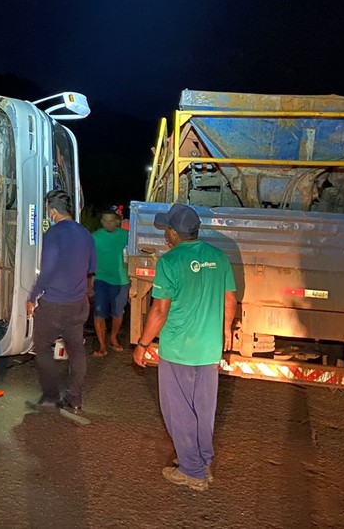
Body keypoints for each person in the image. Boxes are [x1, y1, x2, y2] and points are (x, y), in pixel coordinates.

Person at [132, 203, 237, 492]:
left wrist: (142, 344)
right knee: (204, 410)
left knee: (178, 411)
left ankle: (193, 472)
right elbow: (230, 301)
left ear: (173, 233)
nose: (166, 233)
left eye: (167, 228)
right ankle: (202, 462)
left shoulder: (170, 262)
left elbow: (159, 312)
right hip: (208, 348)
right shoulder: (218, 257)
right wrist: (226, 329)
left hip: (179, 349)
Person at [26, 189, 96, 415]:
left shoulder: (54, 235)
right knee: (77, 351)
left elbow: (47, 270)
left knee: (42, 347)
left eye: (49, 211)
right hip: (77, 304)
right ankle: (75, 400)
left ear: (54, 211)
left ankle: (51, 396)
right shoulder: (86, 234)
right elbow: (91, 269)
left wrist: (32, 296)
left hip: (54, 304)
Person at [90, 204, 130, 356]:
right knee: (99, 312)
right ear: (101, 222)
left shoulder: (125, 236)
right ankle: (102, 346)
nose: (109, 224)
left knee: (118, 313)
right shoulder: (95, 237)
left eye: (111, 221)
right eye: (105, 221)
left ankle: (113, 337)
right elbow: (89, 258)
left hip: (121, 280)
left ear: (117, 221)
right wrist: (90, 280)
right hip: (101, 278)